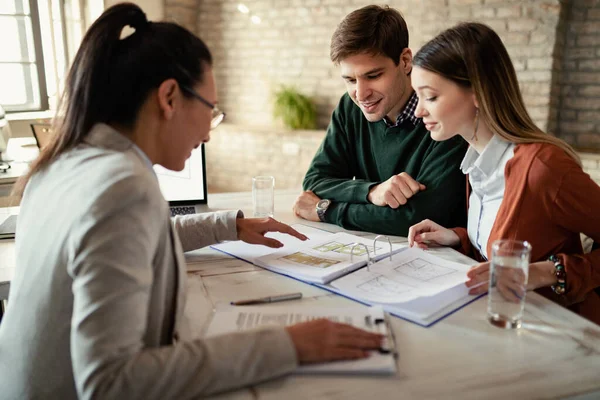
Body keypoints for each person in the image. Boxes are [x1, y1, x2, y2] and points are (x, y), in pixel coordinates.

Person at [0, 4, 384, 399]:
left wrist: (228, 226)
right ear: (169, 97)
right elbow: (111, 383)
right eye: (210, 110)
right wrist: (290, 345)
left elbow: (127, 239)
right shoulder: (121, 184)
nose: (208, 133)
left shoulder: (65, 160)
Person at [407, 22, 600, 324]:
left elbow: (526, 259)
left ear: (477, 93)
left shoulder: (542, 167)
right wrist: (459, 239)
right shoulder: (477, 163)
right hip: (503, 327)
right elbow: (511, 243)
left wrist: (546, 271)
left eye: (429, 97)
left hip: (562, 337)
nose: (418, 111)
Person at [292, 5, 468, 236]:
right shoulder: (350, 107)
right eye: (350, 80)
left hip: (441, 259)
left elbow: (418, 218)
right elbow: (316, 181)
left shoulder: (442, 116)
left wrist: (326, 210)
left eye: (373, 76)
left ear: (405, 61)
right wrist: (371, 191)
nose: (361, 94)